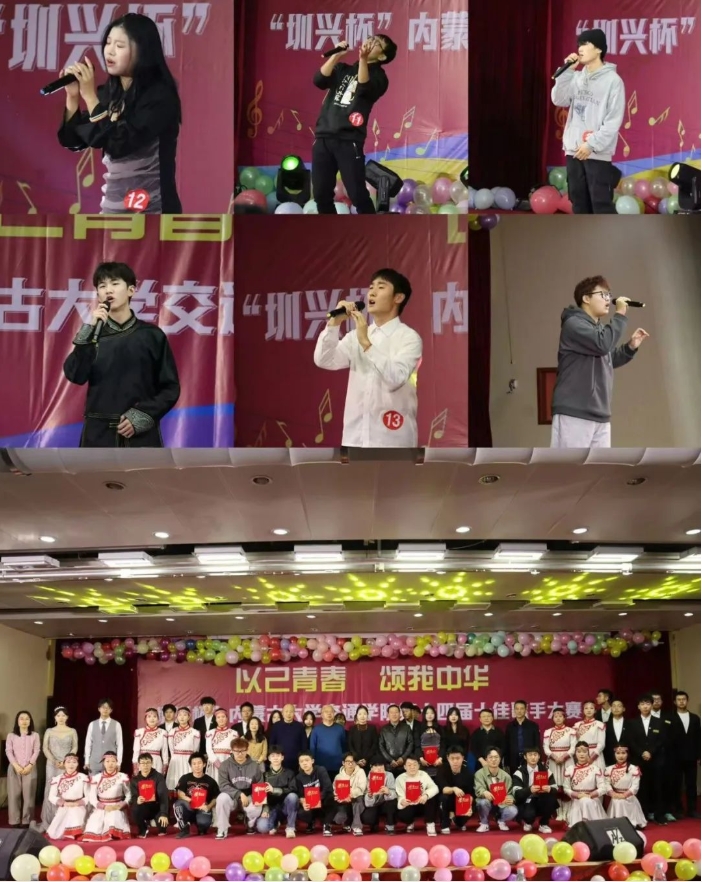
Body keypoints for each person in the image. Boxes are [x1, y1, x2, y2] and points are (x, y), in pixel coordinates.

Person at [57, 12, 182, 213]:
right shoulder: (108, 94)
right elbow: (72, 140)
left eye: (120, 46)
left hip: (152, 208)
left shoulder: (159, 97)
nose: (110, 51)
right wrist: (73, 97)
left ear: (143, 51)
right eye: (108, 43)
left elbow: (119, 145)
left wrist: (90, 97)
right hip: (114, 207)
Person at [63, 261, 180, 447]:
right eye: (102, 286)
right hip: (98, 434)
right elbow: (75, 375)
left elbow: (170, 388)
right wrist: (90, 329)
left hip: (140, 435)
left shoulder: (151, 336)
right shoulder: (93, 335)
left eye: (115, 283)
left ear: (131, 290)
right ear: (98, 295)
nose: (108, 290)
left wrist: (143, 415)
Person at [314, 269, 422, 448]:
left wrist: (366, 343)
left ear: (398, 297)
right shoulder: (355, 336)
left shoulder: (409, 338)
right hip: (354, 439)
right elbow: (324, 360)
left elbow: (396, 378)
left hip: (392, 441)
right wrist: (334, 323)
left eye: (381, 287)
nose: (372, 292)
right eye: (371, 287)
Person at [550, 278, 648, 448]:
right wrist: (620, 315)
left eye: (609, 295)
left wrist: (630, 347)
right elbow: (603, 345)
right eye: (603, 294)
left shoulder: (599, 330)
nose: (608, 299)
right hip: (575, 412)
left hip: (600, 414)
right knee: (571, 465)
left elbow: (607, 358)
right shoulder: (573, 324)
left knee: (600, 466)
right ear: (586, 298)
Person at [311, 35, 397, 214]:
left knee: (357, 194)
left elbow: (363, 87)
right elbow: (319, 80)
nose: (370, 41)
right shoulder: (343, 69)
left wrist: (363, 59)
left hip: (349, 140)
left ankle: (371, 229)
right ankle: (330, 229)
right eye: (370, 38)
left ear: (382, 56)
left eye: (376, 43)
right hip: (324, 136)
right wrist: (336, 56)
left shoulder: (380, 78)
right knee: (320, 194)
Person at [550, 28, 625, 214]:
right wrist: (567, 72)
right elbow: (559, 99)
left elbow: (613, 120)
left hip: (596, 152)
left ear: (599, 49)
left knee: (600, 205)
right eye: (579, 45)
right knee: (578, 202)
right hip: (574, 150)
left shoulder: (613, 81)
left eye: (585, 44)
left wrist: (591, 144)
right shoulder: (576, 77)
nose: (580, 48)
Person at [627, 694, 668, 825]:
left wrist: (650, 752)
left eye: (648, 704)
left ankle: (658, 815)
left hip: (656, 759)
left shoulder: (659, 722)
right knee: (641, 788)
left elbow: (661, 740)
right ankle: (642, 815)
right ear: (638, 706)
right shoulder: (632, 723)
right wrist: (641, 753)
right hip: (639, 760)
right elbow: (631, 741)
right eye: (642, 704)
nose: (645, 706)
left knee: (658, 787)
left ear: (652, 705)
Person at [215, 738, 265, 838]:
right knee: (221, 799)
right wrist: (239, 794)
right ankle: (222, 829)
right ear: (232, 751)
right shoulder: (225, 765)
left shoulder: (255, 765)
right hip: (231, 796)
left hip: (249, 795)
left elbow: (259, 784)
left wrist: (257, 799)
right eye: (237, 751)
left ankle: (250, 823)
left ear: (247, 750)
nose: (240, 754)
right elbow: (223, 785)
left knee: (257, 805)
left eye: (242, 751)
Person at [39, 706, 79, 832]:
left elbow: (75, 747)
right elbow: (45, 748)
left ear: (67, 717)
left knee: (64, 789)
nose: (61, 718)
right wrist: (54, 760)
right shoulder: (49, 731)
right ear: (55, 718)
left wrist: (67, 761)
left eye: (63, 715)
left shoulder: (72, 731)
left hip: (67, 764)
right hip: (52, 764)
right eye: (58, 715)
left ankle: (64, 821)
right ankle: (49, 820)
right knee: (50, 789)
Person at [82, 751, 131, 841]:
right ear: (103, 763)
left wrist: (122, 804)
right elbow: (92, 797)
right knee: (93, 828)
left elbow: (129, 794)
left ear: (117, 763)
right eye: (107, 761)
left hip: (116, 807)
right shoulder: (97, 778)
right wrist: (103, 807)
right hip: (102, 807)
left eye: (113, 761)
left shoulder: (122, 777)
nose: (110, 764)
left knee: (113, 820)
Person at [255, 745, 299, 839]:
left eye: (278, 755)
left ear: (282, 757)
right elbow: (261, 795)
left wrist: (274, 790)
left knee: (293, 796)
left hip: (286, 807)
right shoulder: (264, 775)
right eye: (273, 756)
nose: (275, 758)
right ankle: (276, 823)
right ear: (269, 758)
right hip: (272, 808)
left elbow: (293, 789)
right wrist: (265, 810)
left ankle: (290, 827)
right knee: (262, 827)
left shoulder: (289, 773)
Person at [511, 746, 558, 834]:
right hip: (527, 800)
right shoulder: (519, 772)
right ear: (525, 757)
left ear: (539, 756)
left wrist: (549, 789)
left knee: (551, 798)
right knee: (528, 814)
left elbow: (555, 789)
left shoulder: (546, 771)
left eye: (535, 755)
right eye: (530, 755)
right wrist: (530, 790)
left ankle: (544, 824)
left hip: (542, 799)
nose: (533, 757)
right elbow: (516, 793)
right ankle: (528, 822)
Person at [6, 710, 40, 828]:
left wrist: (30, 765)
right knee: (13, 796)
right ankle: (14, 821)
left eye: (27, 718)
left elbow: (36, 750)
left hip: (30, 768)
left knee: (29, 796)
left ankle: (27, 820)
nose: (24, 721)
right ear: (17, 721)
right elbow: (8, 751)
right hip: (14, 768)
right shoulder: (11, 735)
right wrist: (16, 766)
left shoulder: (35, 735)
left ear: (30, 721)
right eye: (21, 718)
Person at [670, 690, 701, 819]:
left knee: (691, 784)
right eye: (679, 699)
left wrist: (699, 756)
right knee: (676, 784)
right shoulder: (670, 718)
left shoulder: (695, 718)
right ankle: (678, 809)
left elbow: (699, 738)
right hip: (675, 758)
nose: (681, 701)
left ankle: (692, 809)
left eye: (683, 699)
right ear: (675, 702)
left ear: (687, 701)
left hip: (691, 757)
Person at [174, 752, 220, 839]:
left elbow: (215, 797)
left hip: (202, 808)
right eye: (194, 764)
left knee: (203, 826)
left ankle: (199, 824)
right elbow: (180, 793)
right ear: (191, 765)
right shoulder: (185, 778)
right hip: (189, 806)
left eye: (199, 763)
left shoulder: (210, 781)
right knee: (178, 804)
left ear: (204, 764)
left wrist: (208, 807)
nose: (197, 766)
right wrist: (190, 800)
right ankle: (184, 828)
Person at [46, 753, 89, 840]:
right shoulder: (58, 779)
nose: (71, 765)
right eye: (68, 762)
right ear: (64, 764)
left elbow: (89, 796)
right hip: (64, 807)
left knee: (78, 823)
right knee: (54, 833)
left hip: (78, 808)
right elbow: (51, 796)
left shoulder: (83, 777)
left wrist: (77, 803)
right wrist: (64, 803)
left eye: (74, 762)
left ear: (77, 764)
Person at [543, 707, 576, 822]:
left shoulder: (571, 731)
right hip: (553, 761)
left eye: (560, 716)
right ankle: (559, 811)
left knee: (567, 785)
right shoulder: (548, 732)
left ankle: (567, 811)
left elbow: (573, 747)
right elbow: (546, 747)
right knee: (555, 786)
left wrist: (563, 757)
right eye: (555, 716)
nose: (558, 718)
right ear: (552, 718)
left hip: (567, 760)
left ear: (564, 718)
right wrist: (554, 757)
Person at [474, 747, 518, 833]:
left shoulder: (506, 776)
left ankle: (501, 821)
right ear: (486, 759)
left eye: (496, 757)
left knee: (513, 810)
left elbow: (510, 793)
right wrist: (484, 792)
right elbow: (478, 788)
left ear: (500, 759)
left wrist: (510, 799)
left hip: (502, 804)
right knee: (482, 803)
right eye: (490, 757)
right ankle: (484, 823)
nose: (493, 760)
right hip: (487, 802)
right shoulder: (479, 774)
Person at [563, 741, 607, 827]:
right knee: (583, 801)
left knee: (585, 801)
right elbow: (566, 788)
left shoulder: (595, 769)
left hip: (592, 800)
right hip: (577, 800)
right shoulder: (570, 769)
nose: (581, 754)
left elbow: (603, 788)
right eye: (579, 752)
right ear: (575, 754)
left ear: (588, 753)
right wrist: (578, 795)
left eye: (584, 751)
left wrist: (589, 795)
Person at [395, 753, 440, 836]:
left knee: (432, 797)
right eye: (409, 765)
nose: (412, 767)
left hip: (422, 803)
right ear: (404, 767)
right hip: (409, 805)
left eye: (415, 765)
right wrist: (402, 801)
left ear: (419, 766)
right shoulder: (399, 779)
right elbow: (399, 795)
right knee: (402, 813)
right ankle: (410, 822)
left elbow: (435, 788)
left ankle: (430, 823)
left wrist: (426, 795)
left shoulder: (424, 775)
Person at [604, 745, 647, 829]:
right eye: (618, 753)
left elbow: (635, 786)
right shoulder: (609, 769)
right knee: (618, 802)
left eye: (623, 753)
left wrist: (624, 795)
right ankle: (618, 823)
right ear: (614, 754)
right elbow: (606, 784)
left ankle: (630, 823)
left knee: (621, 802)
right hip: (616, 796)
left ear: (627, 754)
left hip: (629, 797)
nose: (621, 756)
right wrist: (613, 793)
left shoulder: (633, 768)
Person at [295, 750, 335, 836]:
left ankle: (327, 824)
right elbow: (301, 795)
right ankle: (311, 822)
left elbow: (328, 787)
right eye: (301, 761)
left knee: (332, 798)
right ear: (299, 763)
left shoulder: (320, 770)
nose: (304, 763)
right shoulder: (298, 777)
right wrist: (303, 802)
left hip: (323, 800)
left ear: (312, 761)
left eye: (307, 760)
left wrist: (317, 798)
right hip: (310, 804)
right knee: (302, 812)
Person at [129, 753, 169, 838]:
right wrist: (137, 800)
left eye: (148, 762)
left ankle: (160, 822)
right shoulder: (135, 780)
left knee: (162, 830)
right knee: (134, 808)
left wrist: (164, 814)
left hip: (157, 807)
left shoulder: (159, 777)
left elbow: (163, 796)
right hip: (143, 807)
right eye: (143, 763)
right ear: (139, 765)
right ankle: (143, 828)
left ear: (152, 763)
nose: (145, 765)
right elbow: (133, 797)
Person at [437, 745, 474, 834]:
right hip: (448, 800)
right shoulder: (442, 769)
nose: (455, 761)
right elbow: (444, 789)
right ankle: (445, 824)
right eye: (452, 758)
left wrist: (469, 804)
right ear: (447, 758)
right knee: (443, 798)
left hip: (461, 801)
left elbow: (470, 793)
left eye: (458, 758)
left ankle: (457, 820)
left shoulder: (467, 772)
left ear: (463, 758)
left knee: (462, 822)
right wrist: (454, 789)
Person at [165, 708, 201, 792]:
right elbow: (171, 748)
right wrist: (175, 757)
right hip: (176, 760)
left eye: (185, 715)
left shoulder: (194, 732)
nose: (182, 717)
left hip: (189, 760)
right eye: (180, 715)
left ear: (189, 717)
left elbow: (196, 749)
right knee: (175, 783)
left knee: (189, 783)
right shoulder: (172, 732)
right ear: (177, 717)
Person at [361, 755, 398, 834]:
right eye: (376, 766)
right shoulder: (367, 777)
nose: (379, 768)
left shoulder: (389, 775)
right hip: (374, 804)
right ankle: (374, 824)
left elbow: (395, 794)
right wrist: (370, 796)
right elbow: (367, 803)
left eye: (381, 765)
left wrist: (388, 792)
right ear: (371, 767)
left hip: (385, 803)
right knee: (367, 818)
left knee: (392, 803)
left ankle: (390, 825)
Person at [85, 698, 123, 775]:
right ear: (99, 709)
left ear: (111, 710)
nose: (105, 710)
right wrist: (87, 761)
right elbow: (88, 744)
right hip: (94, 762)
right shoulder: (92, 724)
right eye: (103, 707)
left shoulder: (117, 724)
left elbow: (120, 745)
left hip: (110, 763)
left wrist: (119, 762)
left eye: (108, 708)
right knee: (93, 782)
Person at [333, 753, 368, 835]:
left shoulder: (361, 772)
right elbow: (335, 791)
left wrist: (349, 794)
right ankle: (346, 823)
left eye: (353, 762)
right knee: (338, 818)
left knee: (357, 801)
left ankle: (357, 826)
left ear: (356, 763)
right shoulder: (338, 777)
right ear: (343, 763)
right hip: (343, 801)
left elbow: (361, 789)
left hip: (357, 798)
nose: (350, 764)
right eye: (348, 761)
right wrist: (338, 797)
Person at [309, 705, 347, 779]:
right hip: (321, 766)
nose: (329, 713)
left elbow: (344, 746)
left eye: (331, 712)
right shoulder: (316, 729)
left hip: (337, 766)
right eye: (326, 712)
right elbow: (312, 748)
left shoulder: (340, 729)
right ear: (322, 714)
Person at [268, 704, 308, 772]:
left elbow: (304, 744)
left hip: (296, 761)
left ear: (294, 713)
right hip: (280, 761)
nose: (288, 713)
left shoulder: (299, 726)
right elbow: (272, 744)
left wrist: (302, 760)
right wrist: (272, 760)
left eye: (291, 711)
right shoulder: (276, 726)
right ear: (282, 713)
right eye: (286, 711)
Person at [505, 701, 541, 773]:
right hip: (513, 759)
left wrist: (537, 759)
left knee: (529, 777)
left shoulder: (533, 725)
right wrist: (506, 762)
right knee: (515, 777)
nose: (519, 711)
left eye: (521, 708)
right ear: (514, 710)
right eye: (517, 709)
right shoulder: (510, 726)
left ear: (526, 710)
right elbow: (507, 745)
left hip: (529, 758)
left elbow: (537, 743)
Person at [132, 708, 169, 775]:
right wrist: (135, 764)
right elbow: (136, 750)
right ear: (145, 719)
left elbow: (165, 750)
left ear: (158, 719)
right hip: (143, 761)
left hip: (156, 761)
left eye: (154, 716)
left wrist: (165, 764)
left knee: (156, 780)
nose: (152, 719)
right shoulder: (139, 732)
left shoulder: (163, 732)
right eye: (149, 717)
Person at [379, 704, 414, 771]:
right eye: (391, 712)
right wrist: (390, 760)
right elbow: (381, 746)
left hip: (404, 764)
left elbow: (410, 743)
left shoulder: (406, 727)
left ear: (400, 714)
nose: (394, 714)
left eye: (396, 712)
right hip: (389, 765)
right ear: (388, 715)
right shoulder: (384, 729)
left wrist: (403, 758)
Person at [574, 701, 607, 770]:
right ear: (583, 711)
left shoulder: (599, 724)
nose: (589, 710)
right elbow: (575, 742)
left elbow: (601, 744)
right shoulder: (577, 725)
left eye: (591, 708)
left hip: (596, 755)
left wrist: (592, 757)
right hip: (581, 754)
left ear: (595, 711)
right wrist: (581, 755)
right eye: (586, 708)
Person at [205, 709, 236, 778]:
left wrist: (228, 763)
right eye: (218, 717)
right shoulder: (210, 733)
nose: (221, 719)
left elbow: (234, 750)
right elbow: (208, 750)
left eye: (223, 717)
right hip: (214, 762)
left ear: (227, 718)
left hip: (228, 762)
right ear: (215, 719)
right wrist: (217, 763)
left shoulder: (233, 733)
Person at [348, 705, 379, 771]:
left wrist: (366, 759)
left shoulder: (372, 728)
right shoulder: (352, 729)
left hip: (370, 760)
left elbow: (375, 745)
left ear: (367, 715)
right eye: (360, 714)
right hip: (355, 761)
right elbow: (350, 745)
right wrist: (357, 759)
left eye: (364, 714)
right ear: (357, 715)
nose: (362, 716)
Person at [418, 705, 444, 781]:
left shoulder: (440, 728)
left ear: (435, 714)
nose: (429, 715)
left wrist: (440, 758)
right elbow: (416, 745)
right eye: (427, 713)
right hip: (423, 762)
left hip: (438, 761)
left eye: (432, 713)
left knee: (438, 781)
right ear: (424, 715)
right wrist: (421, 759)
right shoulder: (419, 728)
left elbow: (443, 744)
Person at [604, 698, 630, 766]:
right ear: (611, 709)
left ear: (624, 709)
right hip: (609, 760)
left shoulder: (631, 724)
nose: (616, 708)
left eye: (619, 706)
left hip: (628, 760)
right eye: (614, 706)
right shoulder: (604, 725)